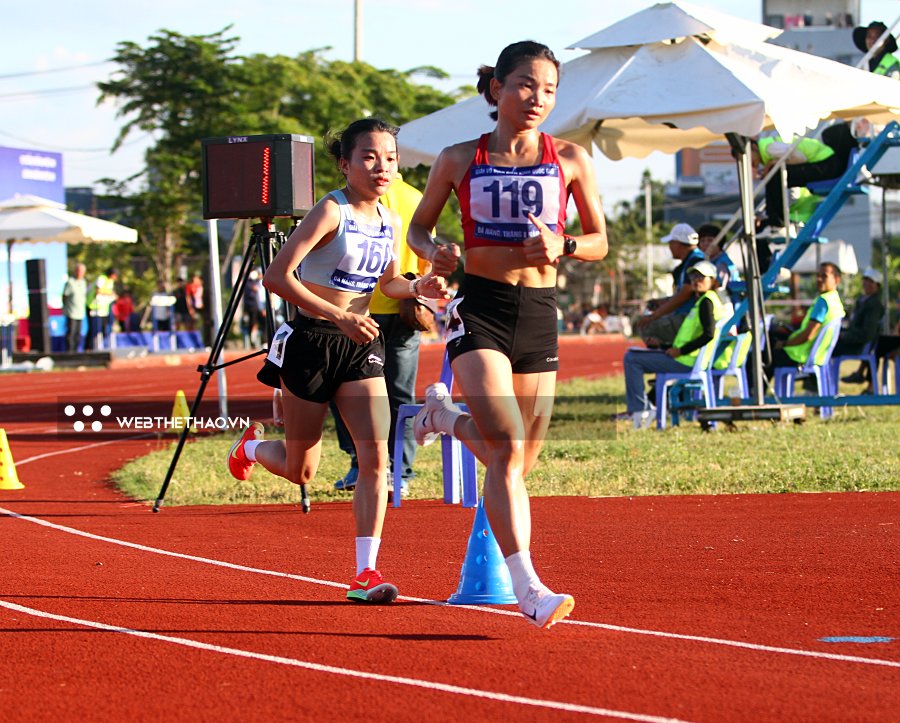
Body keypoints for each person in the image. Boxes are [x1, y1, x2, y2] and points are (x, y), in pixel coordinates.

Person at [406, 41, 608, 629]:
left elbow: (599, 242)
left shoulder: (570, 158)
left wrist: (564, 245)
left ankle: (442, 419)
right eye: (525, 85)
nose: (536, 99)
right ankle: (529, 588)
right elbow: (419, 229)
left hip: (540, 311)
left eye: (548, 89)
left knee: (516, 461)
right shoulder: (457, 157)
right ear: (496, 88)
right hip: (481, 308)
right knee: (508, 445)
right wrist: (436, 252)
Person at [225, 118, 448, 604]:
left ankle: (365, 573)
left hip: (361, 344)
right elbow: (278, 277)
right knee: (301, 470)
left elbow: (387, 284)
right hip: (312, 342)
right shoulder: (331, 210)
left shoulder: (391, 219)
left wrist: (416, 287)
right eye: (369, 157)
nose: (381, 167)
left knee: (376, 458)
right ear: (345, 164)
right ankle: (251, 451)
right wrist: (336, 315)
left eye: (389, 157)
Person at [333, 175, 432, 495]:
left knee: (344, 390)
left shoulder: (351, 198)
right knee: (398, 393)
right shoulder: (416, 197)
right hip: (396, 306)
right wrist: (419, 289)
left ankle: (361, 464)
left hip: (358, 309)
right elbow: (425, 260)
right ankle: (398, 470)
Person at [622, 261, 725, 426]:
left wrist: (681, 351)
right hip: (686, 358)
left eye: (701, 277)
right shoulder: (704, 301)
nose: (696, 280)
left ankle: (642, 410)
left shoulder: (706, 302)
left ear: (713, 281)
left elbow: (708, 335)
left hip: (686, 361)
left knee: (631, 359)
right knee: (633, 356)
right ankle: (644, 408)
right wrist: (661, 346)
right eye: (693, 276)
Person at [751, 130, 851, 233]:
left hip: (827, 164)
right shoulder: (767, 146)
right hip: (827, 162)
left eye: (749, 159)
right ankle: (774, 219)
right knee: (774, 173)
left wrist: (773, 163)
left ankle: (778, 222)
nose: (750, 164)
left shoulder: (768, 147)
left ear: (754, 148)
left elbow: (800, 158)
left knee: (776, 174)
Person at [766, 262, 844, 378]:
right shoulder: (836, 301)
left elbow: (808, 335)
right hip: (818, 357)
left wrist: (784, 344)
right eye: (818, 275)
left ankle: (752, 393)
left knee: (764, 356)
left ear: (837, 280)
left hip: (800, 356)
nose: (819, 279)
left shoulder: (823, 301)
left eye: (824, 276)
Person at [635, 223, 705, 348]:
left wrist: (654, 316)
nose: (669, 247)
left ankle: (666, 357)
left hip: (690, 319)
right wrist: (661, 302)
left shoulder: (695, 262)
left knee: (645, 326)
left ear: (678, 243)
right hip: (688, 316)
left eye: (671, 243)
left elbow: (684, 295)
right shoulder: (689, 261)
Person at [837, 267, 886, 389]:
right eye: (866, 280)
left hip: (859, 345)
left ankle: (815, 387)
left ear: (877, 286)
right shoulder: (863, 301)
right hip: (855, 341)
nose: (867, 284)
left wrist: (845, 336)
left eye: (871, 282)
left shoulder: (874, 304)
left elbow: (867, 333)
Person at [86, 267, 118, 349]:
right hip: (94, 307)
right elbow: (98, 291)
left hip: (103, 309)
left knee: (104, 329)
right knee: (94, 329)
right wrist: (109, 293)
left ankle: (99, 346)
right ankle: (90, 347)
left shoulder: (110, 281)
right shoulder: (101, 279)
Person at [62, 263, 87, 352]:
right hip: (71, 312)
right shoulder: (70, 282)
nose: (80, 273)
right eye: (79, 271)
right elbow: (64, 296)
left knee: (78, 334)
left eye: (82, 271)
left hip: (80, 312)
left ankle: (76, 351)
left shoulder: (83, 282)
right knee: (70, 334)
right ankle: (69, 352)